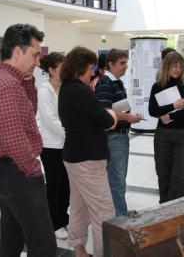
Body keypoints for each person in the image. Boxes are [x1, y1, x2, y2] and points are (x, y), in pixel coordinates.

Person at [0, 24, 56, 257]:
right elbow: (14, 139)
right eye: (34, 55)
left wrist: (28, 79)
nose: (37, 61)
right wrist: (33, 170)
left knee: (12, 236)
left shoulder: (0, 77)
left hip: (3, 169)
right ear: (17, 52)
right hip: (19, 173)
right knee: (43, 242)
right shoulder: (7, 86)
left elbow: (27, 113)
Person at [58, 46, 117, 257]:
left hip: (75, 157)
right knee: (104, 213)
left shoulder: (66, 88)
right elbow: (107, 121)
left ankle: (80, 250)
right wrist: (111, 113)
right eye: (91, 68)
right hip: (87, 160)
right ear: (80, 67)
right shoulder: (80, 91)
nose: (93, 73)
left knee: (79, 207)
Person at [94, 48, 141, 216]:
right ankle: (120, 220)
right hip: (113, 138)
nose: (125, 67)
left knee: (117, 181)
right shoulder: (106, 83)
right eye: (122, 63)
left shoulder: (116, 82)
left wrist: (128, 116)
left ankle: (116, 216)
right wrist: (127, 118)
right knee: (117, 182)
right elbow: (104, 112)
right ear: (110, 64)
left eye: (126, 63)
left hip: (118, 137)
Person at [148, 52, 184, 203]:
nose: (177, 69)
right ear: (167, 66)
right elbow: (152, 110)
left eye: (181, 66)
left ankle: (175, 211)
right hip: (163, 135)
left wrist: (170, 115)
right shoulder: (158, 86)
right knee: (163, 174)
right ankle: (164, 208)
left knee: (180, 176)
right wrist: (173, 106)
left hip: (182, 135)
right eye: (174, 66)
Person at [37, 52, 69, 240]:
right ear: (51, 70)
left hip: (66, 144)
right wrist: (73, 133)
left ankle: (63, 217)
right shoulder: (44, 91)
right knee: (55, 185)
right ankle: (55, 222)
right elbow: (51, 121)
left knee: (66, 184)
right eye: (61, 67)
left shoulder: (64, 88)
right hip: (51, 147)